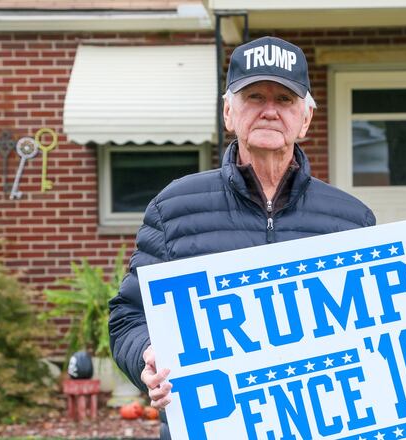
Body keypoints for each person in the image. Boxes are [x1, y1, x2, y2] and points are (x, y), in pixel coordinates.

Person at [107, 36, 375, 439]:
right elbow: (128, 317)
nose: (270, 110)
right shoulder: (173, 207)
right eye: (254, 96)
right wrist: (146, 353)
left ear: (305, 119)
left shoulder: (352, 220)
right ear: (229, 113)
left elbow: (376, 338)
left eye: (285, 99)